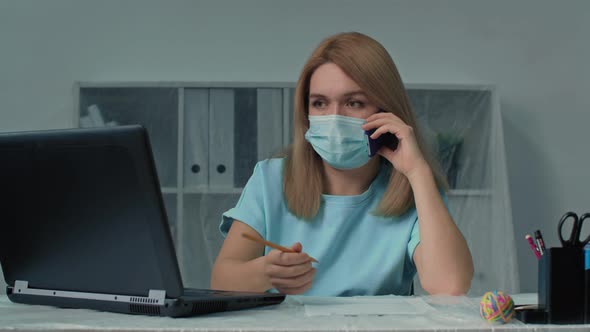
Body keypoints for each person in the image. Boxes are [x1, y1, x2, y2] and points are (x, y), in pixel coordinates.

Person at [210, 32, 473, 296]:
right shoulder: (270, 179)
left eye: (354, 102)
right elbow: (221, 280)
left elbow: (449, 286)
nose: (334, 118)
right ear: (306, 111)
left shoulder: (415, 188)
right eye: (320, 103)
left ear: (387, 112)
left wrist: (417, 172)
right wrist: (265, 273)